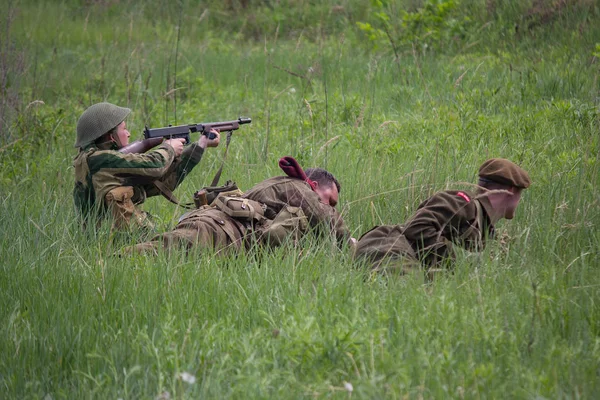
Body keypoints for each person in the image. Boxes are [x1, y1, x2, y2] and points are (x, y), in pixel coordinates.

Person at [127, 157, 353, 255]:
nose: (330, 206)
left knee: (165, 251)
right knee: (159, 251)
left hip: (218, 230)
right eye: (329, 200)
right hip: (214, 230)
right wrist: (353, 245)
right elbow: (326, 218)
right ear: (313, 185)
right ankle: (109, 262)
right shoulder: (298, 188)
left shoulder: (283, 189)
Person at [354, 158, 531, 277]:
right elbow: (418, 226)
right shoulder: (464, 202)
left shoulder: (485, 229)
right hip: (388, 248)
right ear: (512, 191)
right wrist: (449, 265)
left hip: (401, 258)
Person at [73, 102, 220, 233]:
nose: (128, 133)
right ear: (111, 137)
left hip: (110, 235)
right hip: (115, 240)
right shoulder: (101, 160)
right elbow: (156, 166)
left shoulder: (90, 159)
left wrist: (201, 145)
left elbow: (164, 183)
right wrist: (169, 148)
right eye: (124, 129)